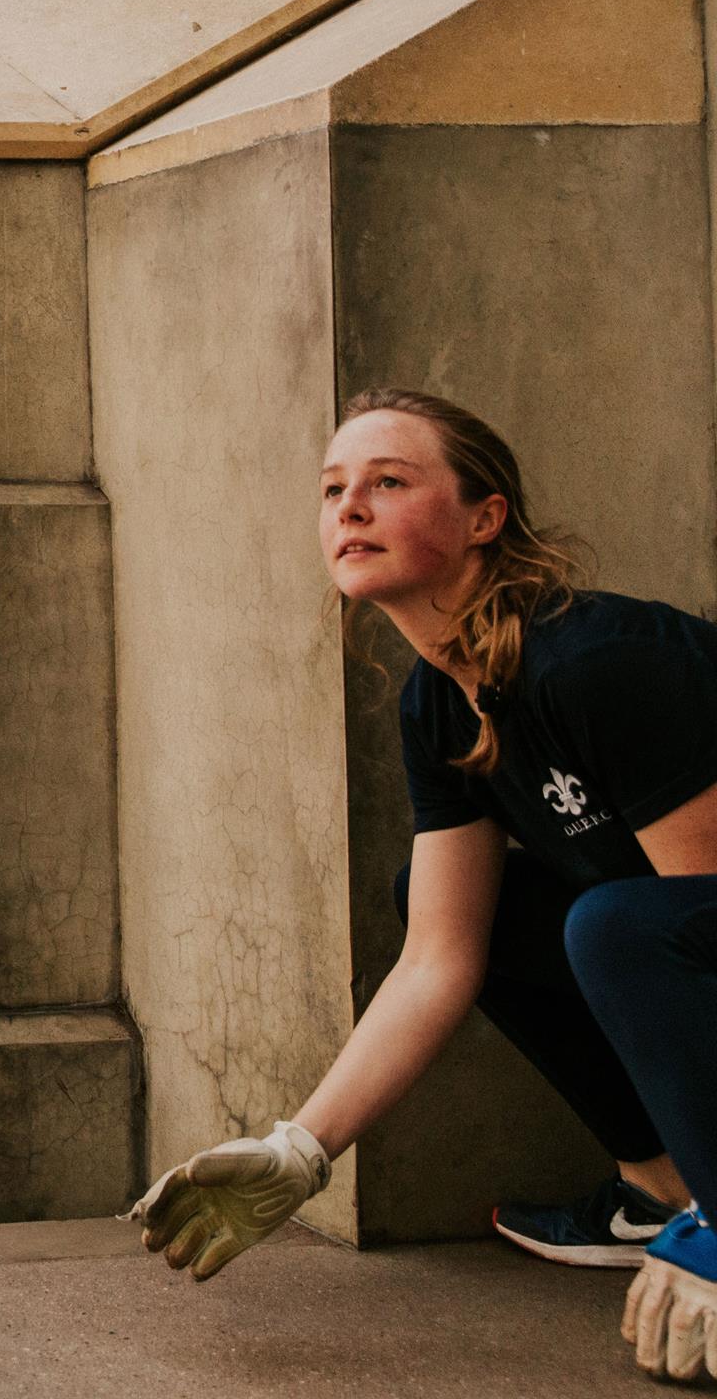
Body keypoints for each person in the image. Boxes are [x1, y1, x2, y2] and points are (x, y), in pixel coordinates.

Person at [131, 390, 717, 1386]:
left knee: (620, 923)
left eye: (389, 483)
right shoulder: (439, 700)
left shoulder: (598, 663)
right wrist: (303, 1149)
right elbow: (440, 956)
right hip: (660, 937)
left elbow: (704, 929)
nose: (349, 507)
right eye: (333, 489)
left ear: (483, 518)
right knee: (466, 903)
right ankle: (662, 1193)